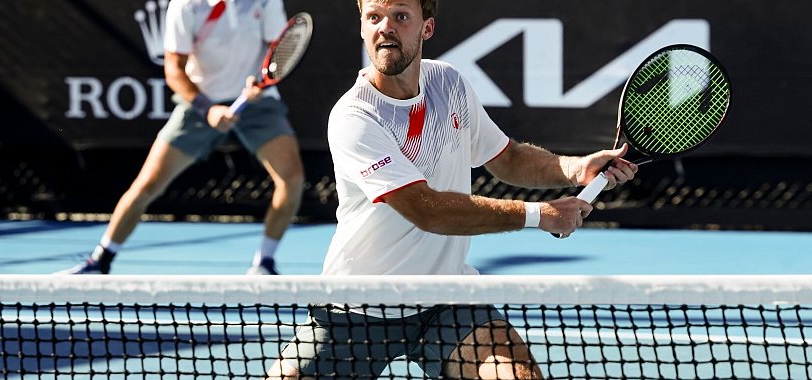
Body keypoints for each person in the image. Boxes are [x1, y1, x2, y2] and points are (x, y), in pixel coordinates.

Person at [266, 0, 637, 378]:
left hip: (446, 301)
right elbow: (427, 210)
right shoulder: (354, 117)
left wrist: (575, 168)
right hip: (358, 310)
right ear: (362, 27)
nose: (385, 27)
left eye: (401, 16)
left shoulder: (448, 83)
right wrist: (539, 215)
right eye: (374, 17)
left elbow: (505, 156)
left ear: (427, 28)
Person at [59, 0, 305, 275]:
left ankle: (264, 263)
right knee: (147, 185)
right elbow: (174, 70)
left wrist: (257, 85)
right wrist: (208, 108)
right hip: (200, 103)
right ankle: (101, 259)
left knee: (291, 179)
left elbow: (278, 52)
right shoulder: (186, 5)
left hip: (256, 102)